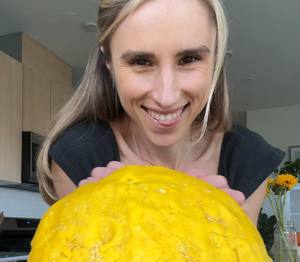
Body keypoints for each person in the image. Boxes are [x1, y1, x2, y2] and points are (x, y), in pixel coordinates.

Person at [37, 0, 284, 225]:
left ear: (215, 58)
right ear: (108, 62)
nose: (167, 97)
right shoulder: (77, 154)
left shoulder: (249, 158)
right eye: (141, 61)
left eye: (189, 58)